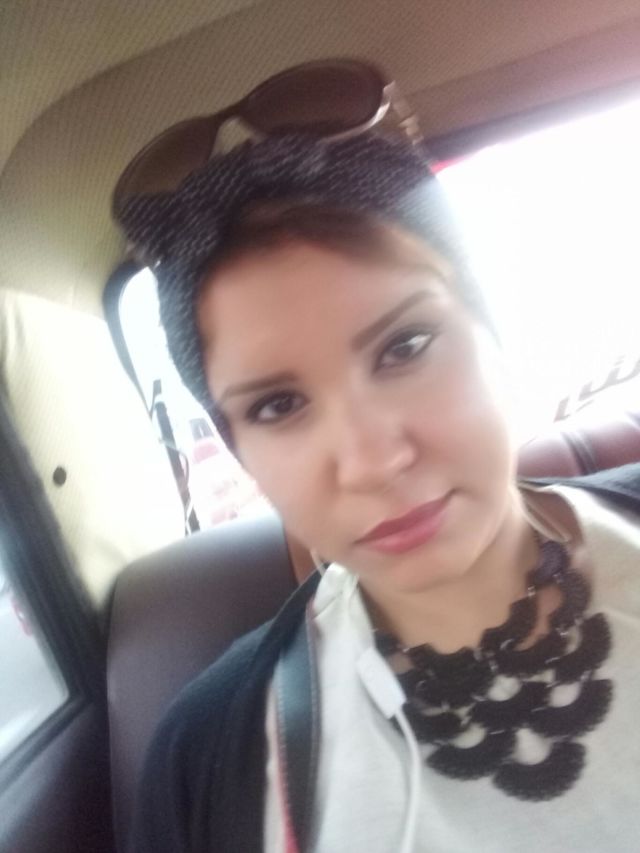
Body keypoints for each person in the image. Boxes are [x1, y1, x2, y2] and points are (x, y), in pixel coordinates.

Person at [115, 83, 640, 852]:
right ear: (241, 451)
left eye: (405, 347)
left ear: (491, 338)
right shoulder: (205, 759)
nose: (372, 461)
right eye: (277, 406)